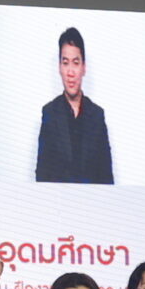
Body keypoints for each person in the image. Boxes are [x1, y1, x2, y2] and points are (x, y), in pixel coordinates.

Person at [33, 26, 113, 184]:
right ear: (59, 68)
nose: (70, 72)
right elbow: (42, 176)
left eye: (76, 63)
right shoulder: (49, 113)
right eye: (65, 63)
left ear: (84, 68)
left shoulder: (97, 116)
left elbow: (107, 178)